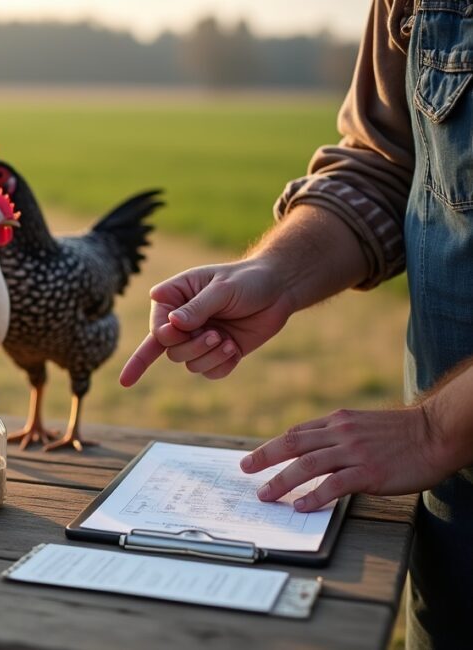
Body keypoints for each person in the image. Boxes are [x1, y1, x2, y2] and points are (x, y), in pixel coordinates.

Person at [117, 1, 473, 647]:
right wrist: (275, 274)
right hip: (455, 510)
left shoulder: (434, 436)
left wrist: (436, 426)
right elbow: (391, 163)